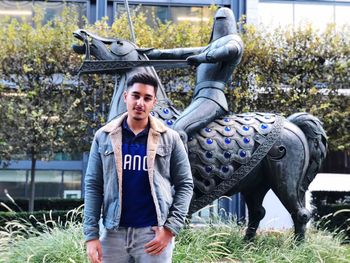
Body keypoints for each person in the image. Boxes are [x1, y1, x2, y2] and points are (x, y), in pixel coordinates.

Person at [84, 72, 193, 263]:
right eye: (136, 95)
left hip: (152, 235)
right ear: (126, 97)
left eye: (147, 98)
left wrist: (170, 229)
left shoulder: (170, 138)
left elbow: (185, 184)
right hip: (112, 234)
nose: (140, 102)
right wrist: (91, 236)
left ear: (154, 102)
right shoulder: (103, 136)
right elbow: (93, 185)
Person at [143, 7, 244, 143]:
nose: (221, 23)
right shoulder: (209, 47)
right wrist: (150, 54)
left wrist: (202, 58)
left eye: (223, 19)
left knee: (178, 129)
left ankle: (180, 165)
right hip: (200, 98)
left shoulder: (234, 41)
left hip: (213, 99)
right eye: (218, 20)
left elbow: (229, 51)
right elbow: (178, 53)